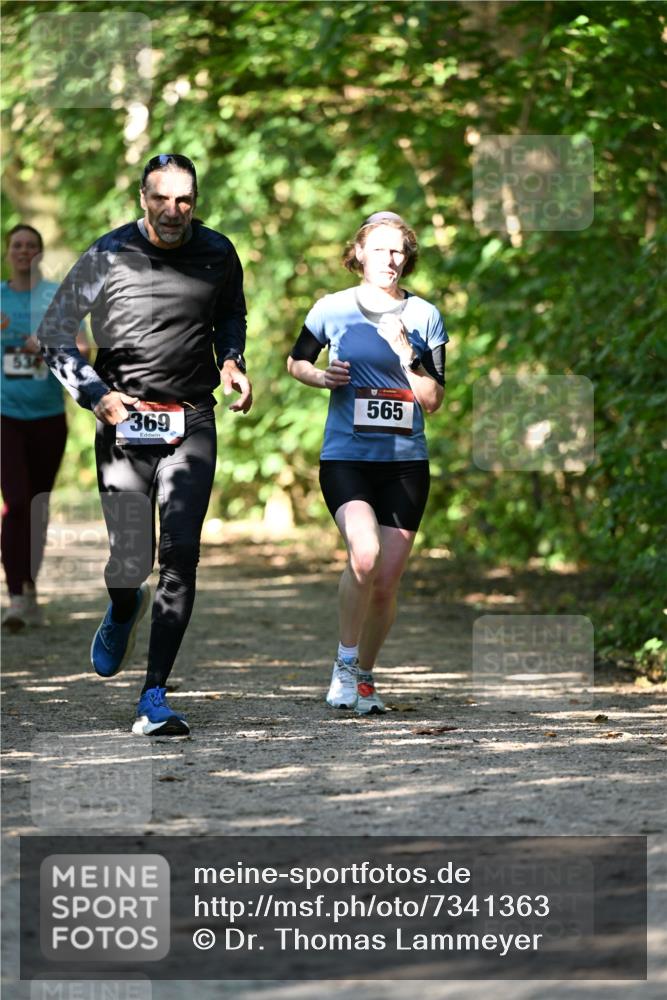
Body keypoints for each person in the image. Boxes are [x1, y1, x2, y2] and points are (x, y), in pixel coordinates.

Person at [38, 153, 252, 737]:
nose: (173, 210)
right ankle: (123, 606)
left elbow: (231, 314)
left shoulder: (218, 252)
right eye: (162, 198)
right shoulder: (107, 253)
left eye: (184, 199)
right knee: (131, 561)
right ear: (142, 198)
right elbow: (54, 334)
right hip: (124, 422)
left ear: (196, 201)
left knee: (180, 557)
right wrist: (95, 395)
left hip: (192, 421)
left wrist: (232, 360)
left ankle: (153, 693)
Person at [287, 211, 447, 714]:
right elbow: (296, 362)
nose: (391, 259)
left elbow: (433, 400)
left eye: (398, 250)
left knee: (387, 581)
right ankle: (343, 663)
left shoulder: (425, 316)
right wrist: (322, 378)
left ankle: (365, 678)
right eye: (380, 249)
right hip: (347, 457)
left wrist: (409, 357)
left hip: (405, 463)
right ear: (358, 254)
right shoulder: (333, 308)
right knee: (363, 555)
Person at [1, 224, 89, 632]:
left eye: (31, 246)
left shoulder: (56, 296)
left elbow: (85, 349)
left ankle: (31, 586)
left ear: (39, 253)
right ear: (8, 253)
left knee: (36, 505)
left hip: (48, 416)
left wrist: (50, 342)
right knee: (16, 503)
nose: (23, 252)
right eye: (17, 245)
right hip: (5, 416)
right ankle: (16, 595)